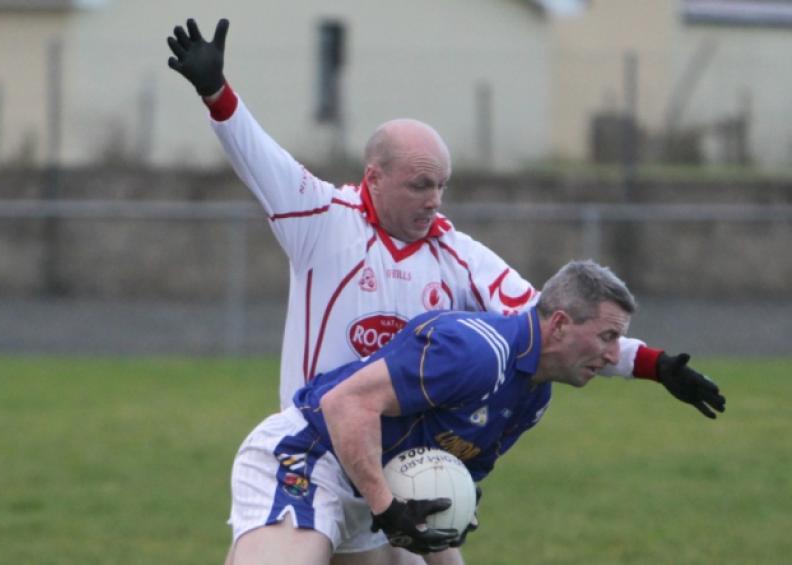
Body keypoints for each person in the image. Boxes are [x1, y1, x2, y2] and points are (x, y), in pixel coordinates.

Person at [166, 18, 726, 564]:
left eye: (441, 185)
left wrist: (651, 365)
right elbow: (259, 158)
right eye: (419, 184)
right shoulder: (321, 216)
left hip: (377, 473)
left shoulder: (462, 259)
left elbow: (556, 327)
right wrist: (216, 91)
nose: (434, 199)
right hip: (313, 445)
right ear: (374, 177)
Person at [223, 260, 726, 564]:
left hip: (364, 489)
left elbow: (435, 492)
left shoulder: (531, 398)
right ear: (558, 326)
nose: (615, 355)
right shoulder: (476, 352)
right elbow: (343, 403)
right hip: (306, 455)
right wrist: (385, 507)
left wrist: (407, 514)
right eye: (608, 336)